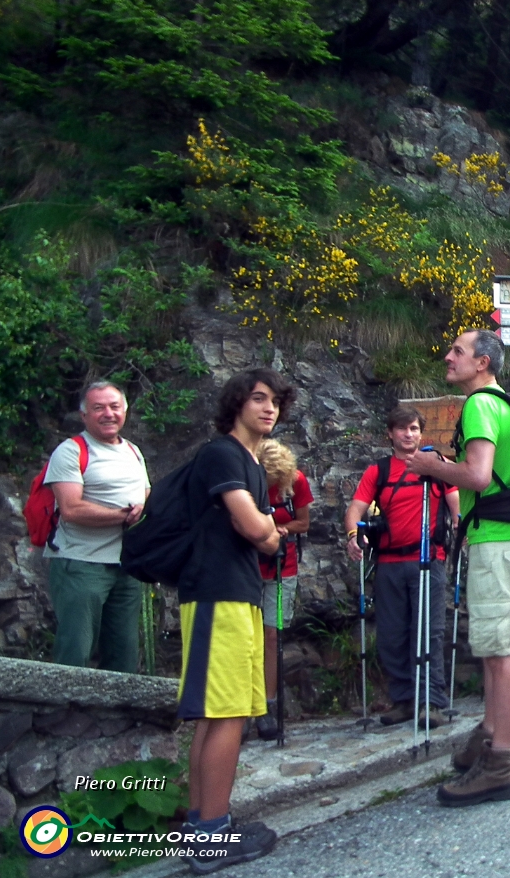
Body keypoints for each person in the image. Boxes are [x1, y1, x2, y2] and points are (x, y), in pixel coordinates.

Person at [406, 329, 510, 807]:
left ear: (482, 362)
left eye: (458, 351)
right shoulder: (504, 404)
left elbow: (479, 476)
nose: (448, 356)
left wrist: (432, 468)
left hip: (498, 541)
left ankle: (499, 763)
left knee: (501, 652)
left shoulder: (481, 405)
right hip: (509, 537)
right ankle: (488, 737)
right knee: (496, 648)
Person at [177, 368, 294, 871]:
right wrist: (268, 531)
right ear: (237, 403)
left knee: (219, 710)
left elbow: (265, 528)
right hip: (217, 593)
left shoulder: (247, 461)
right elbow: (258, 529)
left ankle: (201, 822)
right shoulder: (224, 453)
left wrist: (267, 530)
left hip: (235, 593)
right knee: (224, 712)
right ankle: (210, 836)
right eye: (259, 399)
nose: (269, 409)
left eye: (275, 402)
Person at [344, 406, 459, 726]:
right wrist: (354, 535)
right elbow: (356, 508)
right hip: (390, 563)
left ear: (421, 433)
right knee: (392, 635)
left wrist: (460, 535)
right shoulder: (377, 471)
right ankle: (405, 700)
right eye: (402, 429)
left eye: (413, 429)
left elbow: (456, 507)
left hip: (429, 559)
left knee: (429, 631)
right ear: (390, 434)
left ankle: (431, 702)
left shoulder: (437, 466)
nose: (408, 434)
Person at [44, 381, 150, 673]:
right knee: (76, 649)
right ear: (84, 415)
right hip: (80, 563)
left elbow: (146, 497)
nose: (108, 414)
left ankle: (119, 717)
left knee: (124, 651)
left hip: (125, 566)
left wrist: (145, 512)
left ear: (125, 411)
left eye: (115, 407)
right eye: (98, 408)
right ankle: (63, 713)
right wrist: (124, 515)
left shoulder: (133, 451)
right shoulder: (70, 452)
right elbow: (71, 509)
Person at [253, 439, 312, 741]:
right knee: (246, 635)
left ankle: (268, 703)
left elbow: (304, 522)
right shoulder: (247, 480)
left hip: (282, 565)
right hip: (249, 565)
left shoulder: (296, 481)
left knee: (272, 634)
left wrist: (284, 529)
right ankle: (245, 703)